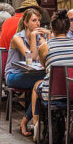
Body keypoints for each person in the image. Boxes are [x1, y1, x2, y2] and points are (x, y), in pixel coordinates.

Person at [28, 9, 73, 137]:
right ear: (68, 28)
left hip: (53, 93)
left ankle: (36, 123)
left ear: (52, 28)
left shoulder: (45, 47)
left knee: (36, 86)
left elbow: (44, 65)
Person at [4, 8, 48, 136]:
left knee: (42, 85)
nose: (37, 23)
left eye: (39, 20)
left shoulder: (39, 38)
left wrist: (48, 37)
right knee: (46, 80)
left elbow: (48, 54)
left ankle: (25, 122)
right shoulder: (17, 38)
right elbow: (32, 57)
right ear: (26, 23)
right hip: (14, 75)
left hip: (31, 75)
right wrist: (34, 37)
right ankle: (32, 122)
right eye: (34, 20)